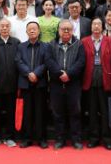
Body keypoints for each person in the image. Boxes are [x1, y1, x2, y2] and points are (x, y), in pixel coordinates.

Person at [48, 20, 86, 150]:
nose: (66, 31)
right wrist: (60, 74)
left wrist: (69, 74)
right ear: (58, 30)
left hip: (73, 83)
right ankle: (59, 140)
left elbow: (81, 62)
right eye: (63, 29)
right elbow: (49, 61)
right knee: (57, 113)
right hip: (56, 84)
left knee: (75, 113)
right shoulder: (51, 44)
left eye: (68, 29)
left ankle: (76, 140)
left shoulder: (79, 44)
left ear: (72, 31)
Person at [81, 17, 111, 150]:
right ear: (91, 27)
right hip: (89, 79)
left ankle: (107, 139)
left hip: (105, 78)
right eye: (94, 24)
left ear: (102, 27)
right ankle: (93, 138)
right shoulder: (84, 41)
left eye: (99, 24)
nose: (96, 27)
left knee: (105, 111)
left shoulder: (109, 41)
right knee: (92, 110)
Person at [16, 21, 50, 149]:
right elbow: (18, 61)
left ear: (39, 31)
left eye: (34, 29)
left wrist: (36, 73)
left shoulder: (46, 46)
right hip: (25, 83)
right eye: (29, 29)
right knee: (27, 112)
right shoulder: (21, 46)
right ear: (26, 32)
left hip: (40, 83)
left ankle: (42, 139)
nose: (32, 31)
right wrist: (28, 73)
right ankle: (27, 138)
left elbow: (46, 62)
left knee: (41, 112)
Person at [0, 19, 20, 148]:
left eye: (7, 26)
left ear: (10, 27)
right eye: (2, 26)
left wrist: (19, 83)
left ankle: (10, 137)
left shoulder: (16, 42)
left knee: (11, 111)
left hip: (13, 83)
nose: (4, 28)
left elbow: (19, 63)